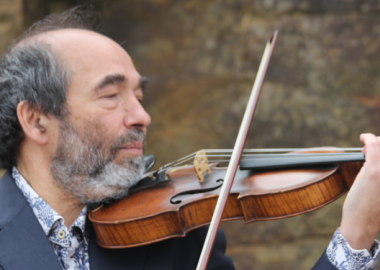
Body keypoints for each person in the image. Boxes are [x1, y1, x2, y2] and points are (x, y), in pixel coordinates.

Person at [0, 7, 378, 270]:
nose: (142, 116)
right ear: (36, 121)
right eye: (111, 96)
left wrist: (356, 236)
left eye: (140, 97)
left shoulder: (175, 234)